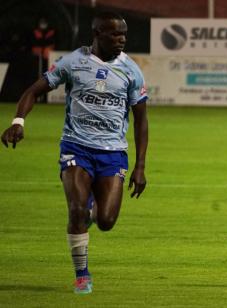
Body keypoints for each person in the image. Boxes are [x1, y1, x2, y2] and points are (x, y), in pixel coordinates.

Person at [1, 11, 148, 294]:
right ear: (97, 34)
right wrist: (18, 122)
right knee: (76, 209)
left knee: (105, 222)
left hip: (113, 152)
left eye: (124, 35)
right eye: (115, 34)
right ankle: (82, 274)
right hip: (76, 146)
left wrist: (140, 166)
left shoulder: (131, 70)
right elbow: (33, 91)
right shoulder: (73, 62)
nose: (121, 39)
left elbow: (141, 120)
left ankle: (88, 213)